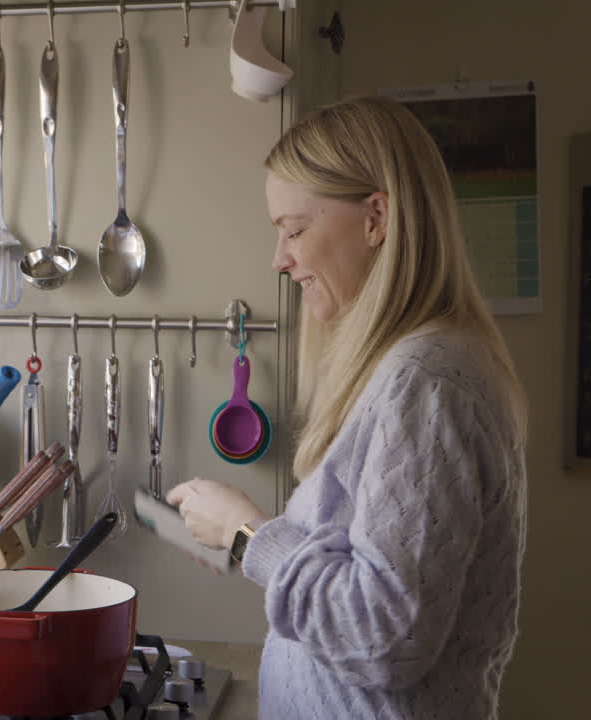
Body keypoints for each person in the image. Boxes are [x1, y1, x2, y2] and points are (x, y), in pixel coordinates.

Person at [166, 96, 527, 720]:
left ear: (376, 219)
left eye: (295, 229)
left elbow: (384, 636)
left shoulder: (427, 383)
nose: (280, 260)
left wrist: (246, 533)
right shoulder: (415, 370)